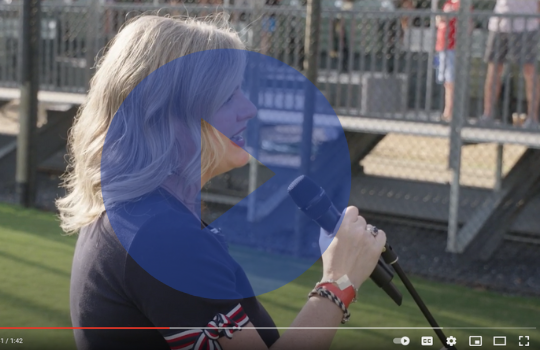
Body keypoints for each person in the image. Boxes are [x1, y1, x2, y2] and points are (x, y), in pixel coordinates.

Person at [58, 15, 386, 350]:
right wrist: (338, 281)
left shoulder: (140, 213)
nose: (250, 109)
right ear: (168, 117)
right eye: (227, 98)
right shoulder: (162, 236)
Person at [481, 0, 540, 129]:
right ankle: (488, 116)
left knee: (530, 71)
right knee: (494, 69)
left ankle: (533, 119)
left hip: (527, 24)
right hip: (500, 23)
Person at [435, 0, 460, 122]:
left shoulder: (461, 4)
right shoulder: (447, 3)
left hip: (452, 47)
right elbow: (438, 20)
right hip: (442, 47)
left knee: (451, 82)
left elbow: (466, 24)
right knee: (446, 82)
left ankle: (450, 112)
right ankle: (447, 111)